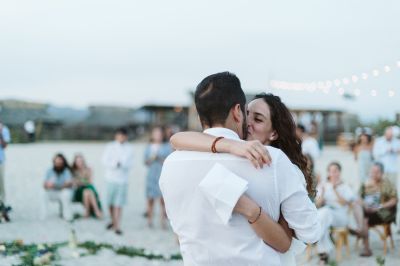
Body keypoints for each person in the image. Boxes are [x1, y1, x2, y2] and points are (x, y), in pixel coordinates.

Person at [160, 72, 320, 266]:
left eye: (258, 119)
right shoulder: (275, 162)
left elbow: (177, 139)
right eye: (247, 114)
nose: (249, 123)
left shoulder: (171, 163)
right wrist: (231, 145)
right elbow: (309, 232)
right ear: (238, 112)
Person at [314, 162, 357, 263]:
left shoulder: (345, 186)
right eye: (331, 171)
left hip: (340, 216)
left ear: (339, 172)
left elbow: (345, 203)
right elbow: (317, 204)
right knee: (323, 215)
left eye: (335, 171)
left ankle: (320, 246)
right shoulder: (323, 185)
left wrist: (335, 190)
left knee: (323, 216)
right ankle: (323, 254)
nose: (333, 173)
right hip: (326, 214)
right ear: (328, 173)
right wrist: (323, 193)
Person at [358, 162, 398, 256]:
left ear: (382, 173)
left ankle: (365, 245)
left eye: (377, 172)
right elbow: (359, 197)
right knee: (360, 211)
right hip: (369, 209)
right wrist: (364, 204)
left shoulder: (387, 183)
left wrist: (379, 207)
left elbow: (394, 200)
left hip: (384, 212)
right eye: (372, 172)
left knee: (365, 218)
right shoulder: (366, 183)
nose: (374, 174)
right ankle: (360, 231)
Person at [102, 127, 133, 235]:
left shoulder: (129, 148)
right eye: (119, 135)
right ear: (116, 136)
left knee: (118, 204)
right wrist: (115, 164)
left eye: (123, 136)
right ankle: (113, 220)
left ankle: (117, 226)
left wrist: (122, 164)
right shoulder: (110, 146)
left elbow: (129, 164)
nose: (121, 138)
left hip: (123, 180)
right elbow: (104, 161)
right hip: (110, 178)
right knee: (110, 203)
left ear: (126, 137)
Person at [144, 126, 172, 228]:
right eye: (155, 133)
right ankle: (149, 220)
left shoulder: (166, 146)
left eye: (159, 134)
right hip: (151, 175)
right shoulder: (148, 147)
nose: (157, 136)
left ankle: (163, 221)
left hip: (162, 174)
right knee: (150, 199)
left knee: (162, 200)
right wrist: (151, 158)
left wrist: (159, 158)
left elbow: (169, 161)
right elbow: (145, 162)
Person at [373, 126, 400, 231]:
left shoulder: (397, 141)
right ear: (385, 134)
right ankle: (380, 217)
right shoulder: (379, 142)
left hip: (393, 172)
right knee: (381, 194)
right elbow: (375, 154)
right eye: (388, 135)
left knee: (393, 194)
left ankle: (394, 220)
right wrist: (386, 150)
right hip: (382, 172)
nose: (390, 137)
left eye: (391, 135)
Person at [42, 153, 73, 221]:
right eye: (57, 161)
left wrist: (55, 185)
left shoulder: (66, 171)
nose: (58, 163)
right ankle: (43, 215)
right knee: (43, 193)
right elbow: (44, 184)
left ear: (63, 162)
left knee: (66, 193)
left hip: (62, 192)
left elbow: (68, 183)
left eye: (60, 161)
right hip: (53, 192)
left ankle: (67, 216)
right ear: (54, 162)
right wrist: (48, 185)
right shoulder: (49, 171)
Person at [71, 154, 102, 219]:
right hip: (79, 191)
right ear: (75, 162)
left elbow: (90, 181)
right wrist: (83, 181)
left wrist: (81, 181)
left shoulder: (88, 169)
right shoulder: (73, 170)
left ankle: (87, 212)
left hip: (89, 188)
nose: (80, 163)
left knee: (87, 191)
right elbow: (75, 183)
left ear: (83, 161)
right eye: (78, 161)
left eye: (81, 161)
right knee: (87, 191)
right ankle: (96, 211)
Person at [0, 121, 11, 205]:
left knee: (1, 184)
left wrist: (0, 133)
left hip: (0, 160)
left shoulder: (4, 129)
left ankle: (2, 206)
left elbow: (4, 146)